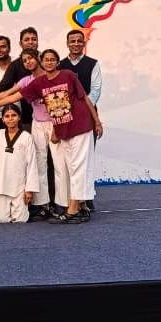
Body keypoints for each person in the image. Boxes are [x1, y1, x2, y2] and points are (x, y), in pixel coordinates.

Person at [20, 49, 103, 224]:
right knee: (71, 168)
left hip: (81, 125)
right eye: (46, 59)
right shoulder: (39, 83)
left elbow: (85, 98)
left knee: (79, 167)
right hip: (64, 130)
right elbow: (16, 94)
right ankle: (78, 207)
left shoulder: (68, 75)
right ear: (41, 62)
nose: (49, 62)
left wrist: (97, 121)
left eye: (53, 59)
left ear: (58, 62)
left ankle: (73, 209)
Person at [0, 49, 51, 221]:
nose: (28, 62)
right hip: (38, 122)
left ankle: (66, 204)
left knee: (59, 167)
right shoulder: (26, 80)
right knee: (40, 163)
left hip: (55, 122)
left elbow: (11, 98)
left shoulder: (50, 76)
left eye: (31, 58)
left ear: (38, 58)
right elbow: (6, 94)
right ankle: (42, 205)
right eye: (25, 60)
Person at [58, 29, 102, 212]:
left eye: (79, 41)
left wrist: (82, 110)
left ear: (84, 43)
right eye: (72, 41)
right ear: (67, 43)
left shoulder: (93, 64)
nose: (76, 44)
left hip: (87, 116)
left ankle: (86, 198)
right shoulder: (59, 65)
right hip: (64, 117)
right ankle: (71, 199)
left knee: (86, 160)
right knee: (68, 161)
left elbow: (95, 90)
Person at [0, 27, 39, 130]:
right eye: (26, 40)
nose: (30, 42)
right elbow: (5, 91)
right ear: (20, 44)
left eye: (34, 39)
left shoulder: (47, 61)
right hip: (30, 118)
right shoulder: (17, 68)